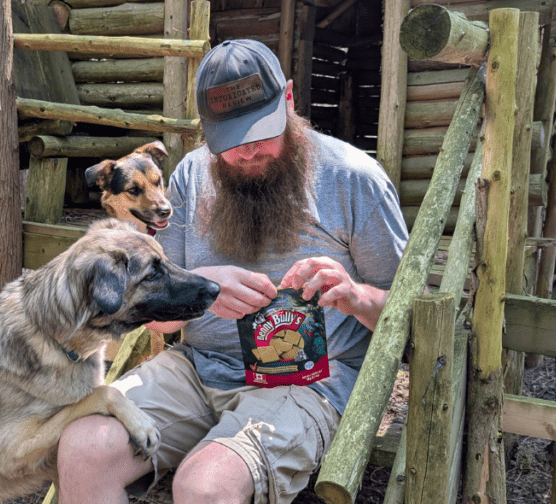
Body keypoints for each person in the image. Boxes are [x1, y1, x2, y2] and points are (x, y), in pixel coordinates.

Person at [57, 39, 409, 504]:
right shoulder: (190, 175)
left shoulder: (353, 179)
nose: (243, 153)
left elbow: (409, 320)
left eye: (259, 132)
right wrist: (201, 291)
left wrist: (355, 296)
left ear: (287, 99)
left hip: (308, 382)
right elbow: (161, 321)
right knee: (82, 447)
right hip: (197, 371)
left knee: (203, 485)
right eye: (228, 141)